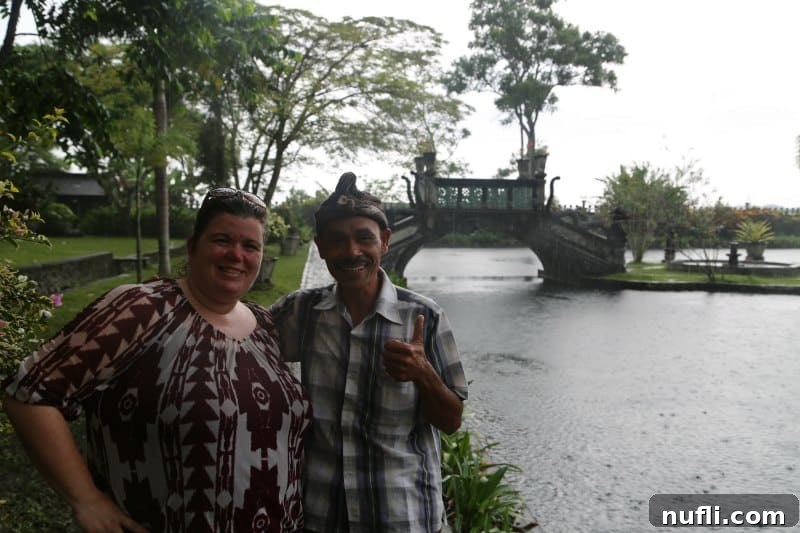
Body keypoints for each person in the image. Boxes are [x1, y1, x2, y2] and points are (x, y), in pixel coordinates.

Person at [2, 188, 312, 532]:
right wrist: (85, 499)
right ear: (193, 247)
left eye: (250, 245)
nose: (236, 255)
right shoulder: (141, 309)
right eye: (223, 240)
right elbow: (30, 392)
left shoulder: (264, 324)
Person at [269, 172, 468, 533]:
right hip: (321, 514)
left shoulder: (424, 317)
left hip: (401, 515)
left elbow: (452, 421)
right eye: (337, 241)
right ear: (320, 247)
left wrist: (423, 373)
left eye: (364, 238)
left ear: (385, 241)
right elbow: (233, 339)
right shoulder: (300, 313)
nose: (351, 252)